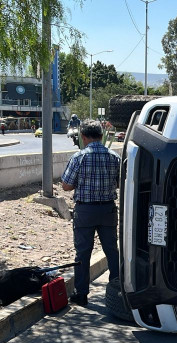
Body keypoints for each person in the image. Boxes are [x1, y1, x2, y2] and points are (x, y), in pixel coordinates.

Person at [60, 120, 121, 306]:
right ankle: (117, 290)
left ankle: (82, 294)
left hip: (85, 211)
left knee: (83, 253)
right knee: (112, 251)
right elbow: (120, 182)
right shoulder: (114, 157)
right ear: (102, 137)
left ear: (83, 137)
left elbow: (66, 185)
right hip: (108, 209)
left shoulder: (78, 157)